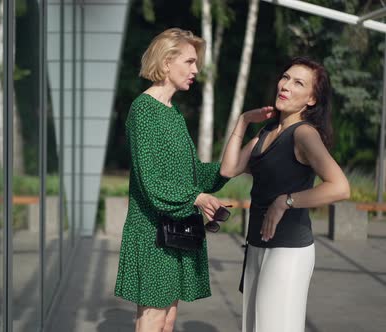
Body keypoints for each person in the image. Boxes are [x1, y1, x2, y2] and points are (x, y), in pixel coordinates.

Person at [219, 57, 350, 332]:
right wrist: (243, 122)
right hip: (256, 245)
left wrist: (287, 201)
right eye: (285, 77)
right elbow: (230, 169)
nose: (286, 85)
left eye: (298, 83)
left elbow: (340, 187)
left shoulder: (304, 134)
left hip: (288, 251)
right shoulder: (267, 132)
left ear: (311, 99)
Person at [114, 28, 230, 332]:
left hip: (174, 230)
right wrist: (197, 198)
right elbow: (152, 182)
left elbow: (191, 176)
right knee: (153, 319)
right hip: (153, 234)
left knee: (167, 320)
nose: (195, 70)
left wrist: (230, 167)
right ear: (166, 63)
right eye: (189, 62)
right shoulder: (144, 111)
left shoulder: (171, 112)